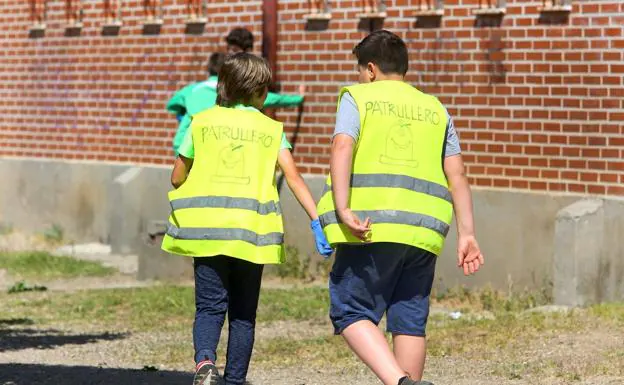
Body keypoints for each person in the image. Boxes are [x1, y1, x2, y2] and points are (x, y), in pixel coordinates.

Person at [316, 30, 485, 385]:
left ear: (371, 69)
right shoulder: (437, 109)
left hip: (371, 226)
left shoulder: (359, 98)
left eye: (360, 70)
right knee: (409, 319)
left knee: (350, 309)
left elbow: (342, 147)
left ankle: (401, 382)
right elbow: (457, 173)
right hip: (423, 232)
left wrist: (343, 207)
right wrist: (467, 233)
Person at [161, 52, 332, 385]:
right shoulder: (270, 129)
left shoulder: (202, 122)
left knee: (210, 307)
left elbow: (177, 177)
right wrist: (317, 220)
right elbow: (294, 177)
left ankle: (205, 363)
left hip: (206, 231)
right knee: (243, 316)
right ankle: (235, 380)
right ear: (258, 92)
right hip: (251, 234)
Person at [167, 28, 305, 156]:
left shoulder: (245, 76)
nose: (230, 54)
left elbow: (271, 99)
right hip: (208, 140)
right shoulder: (224, 81)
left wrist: (297, 99)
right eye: (229, 49)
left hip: (211, 142)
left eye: (234, 49)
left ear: (248, 50)